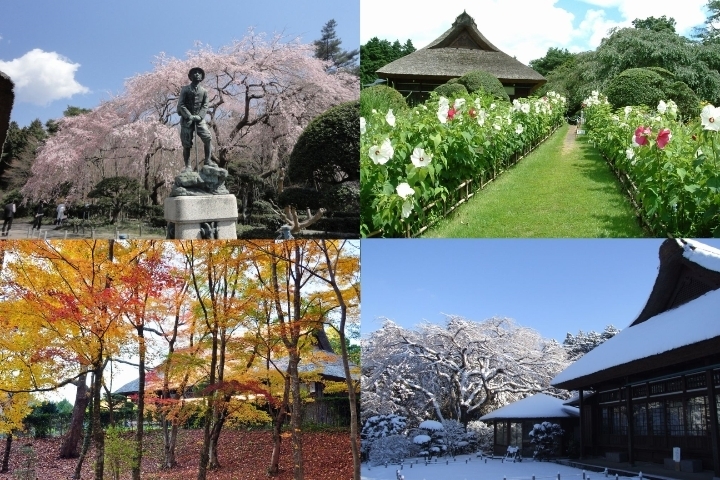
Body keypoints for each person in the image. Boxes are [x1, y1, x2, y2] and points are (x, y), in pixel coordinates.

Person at [177, 67, 214, 171]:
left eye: (199, 73)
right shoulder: (185, 89)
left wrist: (200, 116)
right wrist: (189, 115)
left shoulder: (204, 91)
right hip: (186, 119)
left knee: (208, 137)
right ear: (190, 76)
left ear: (202, 77)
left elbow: (205, 105)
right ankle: (188, 166)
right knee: (186, 143)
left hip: (199, 120)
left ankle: (208, 160)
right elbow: (181, 104)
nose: (197, 74)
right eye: (194, 73)